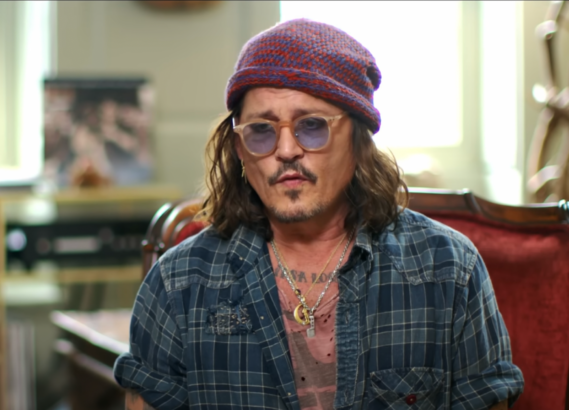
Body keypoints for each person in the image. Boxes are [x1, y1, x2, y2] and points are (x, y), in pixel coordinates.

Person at [114, 19, 524, 410]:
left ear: (358, 140)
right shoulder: (178, 283)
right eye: (261, 130)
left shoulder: (448, 268)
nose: (286, 150)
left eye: (311, 126)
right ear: (239, 150)